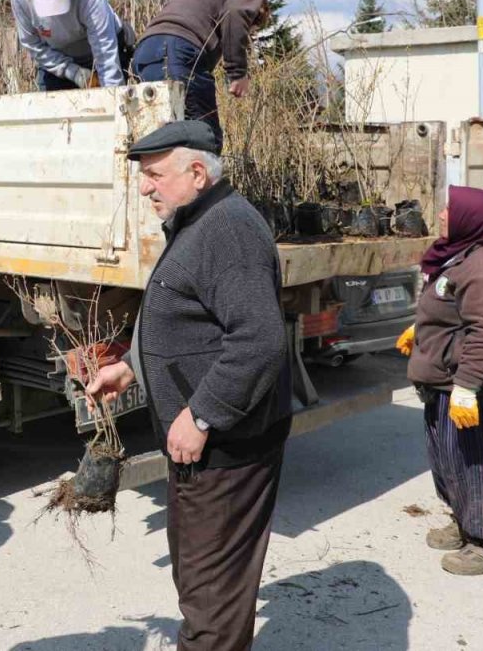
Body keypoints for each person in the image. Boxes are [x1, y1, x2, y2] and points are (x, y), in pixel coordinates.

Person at [86, 120, 292, 651]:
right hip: (205, 448)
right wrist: (131, 365)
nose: (145, 186)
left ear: (197, 172)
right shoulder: (199, 221)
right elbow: (188, 319)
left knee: (210, 601)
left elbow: (259, 340)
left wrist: (202, 414)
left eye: (154, 175)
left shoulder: (227, 230)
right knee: (202, 584)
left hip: (225, 448)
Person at [396, 184, 483, 576]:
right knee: (450, 460)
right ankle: (464, 523)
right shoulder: (458, 256)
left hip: (479, 388)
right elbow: (450, 310)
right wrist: (419, 331)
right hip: (445, 383)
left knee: (481, 464)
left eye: (450, 209)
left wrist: (467, 388)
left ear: (473, 220)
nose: (441, 214)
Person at [131, 0, 269, 149]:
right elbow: (235, 13)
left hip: (145, 52)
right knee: (205, 138)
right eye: (251, 30)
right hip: (176, 49)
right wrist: (238, 72)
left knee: (161, 141)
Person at [11, 0, 132, 91]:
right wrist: (74, 73)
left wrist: (112, 97)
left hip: (102, 51)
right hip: (57, 60)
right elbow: (33, 44)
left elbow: (105, 56)